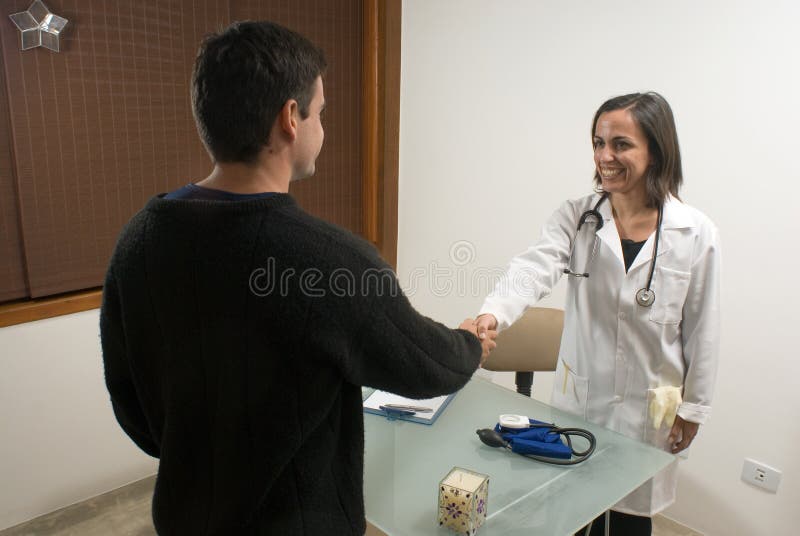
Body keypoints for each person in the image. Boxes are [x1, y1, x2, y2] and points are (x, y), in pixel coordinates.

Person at [100, 21, 496, 536]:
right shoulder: (329, 259)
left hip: (182, 515)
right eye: (322, 112)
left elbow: (127, 392)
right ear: (291, 117)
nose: (323, 129)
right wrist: (470, 341)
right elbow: (423, 364)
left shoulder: (140, 239)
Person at [475, 92, 720, 535]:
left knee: (630, 518)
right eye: (598, 142)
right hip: (581, 399)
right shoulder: (578, 217)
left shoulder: (695, 233)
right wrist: (493, 313)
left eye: (621, 144)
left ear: (656, 150)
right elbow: (533, 268)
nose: (605, 156)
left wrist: (695, 409)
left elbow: (703, 329)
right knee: (572, 510)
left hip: (651, 409)